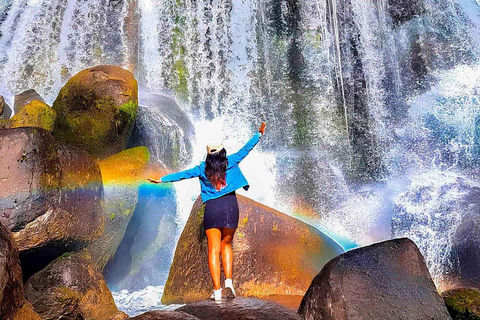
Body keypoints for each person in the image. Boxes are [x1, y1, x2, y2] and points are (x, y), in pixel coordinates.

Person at [148, 122, 266, 302]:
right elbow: (246, 149)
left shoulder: (202, 169)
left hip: (212, 208)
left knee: (213, 250)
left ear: (208, 154)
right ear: (222, 151)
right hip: (230, 206)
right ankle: (229, 282)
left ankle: (217, 291)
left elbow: (183, 174)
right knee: (227, 245)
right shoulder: (232, 161)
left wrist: (162, 179)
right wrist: (259, 135)